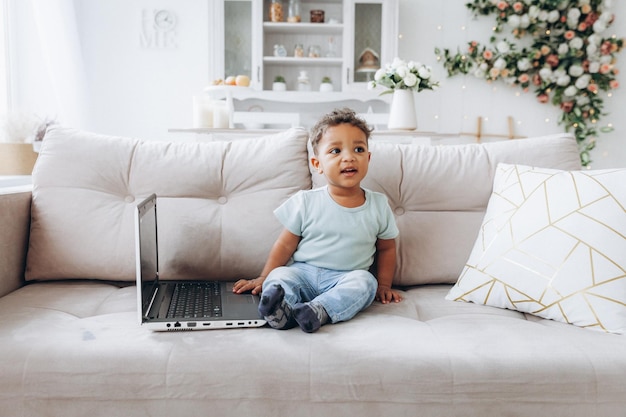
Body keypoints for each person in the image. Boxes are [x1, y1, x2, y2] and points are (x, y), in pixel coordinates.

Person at [233, 108, 402, 333]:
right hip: (303, 272)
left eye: (358, 149)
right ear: (317, 164)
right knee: (281, 276)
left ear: (368, 158)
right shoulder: (306, 201)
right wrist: (264, 276)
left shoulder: (378, 205)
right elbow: (285, 244)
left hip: (346, 277)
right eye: (336, 150)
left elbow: (387, 249)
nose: (349, 157)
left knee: (365, 283)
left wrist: (383, 285)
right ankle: (279, 311)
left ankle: (320, 310)